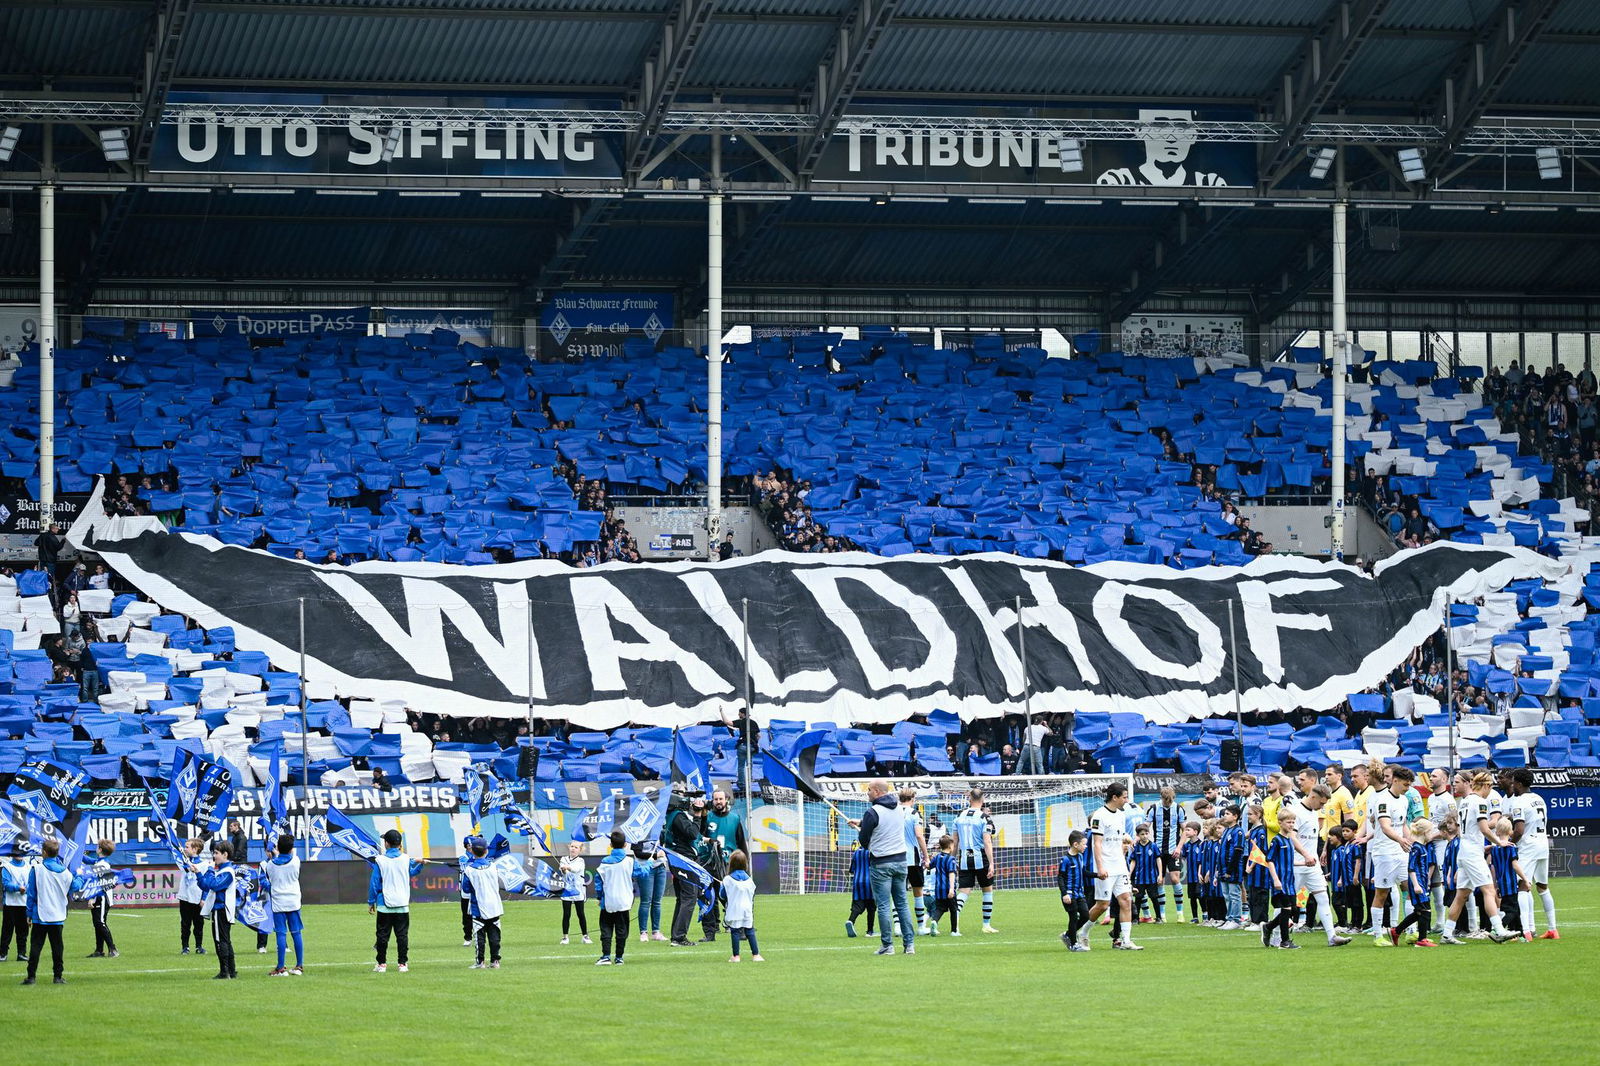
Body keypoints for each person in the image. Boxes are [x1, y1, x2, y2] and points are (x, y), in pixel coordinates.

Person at [1440, 771, 1516, 945]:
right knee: (1488, 891)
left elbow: (1467, 829)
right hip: (1473, 853)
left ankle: (1446, 934)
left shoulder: (1464, 802)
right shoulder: (1480, 802)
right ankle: (1499, 930)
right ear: (1486, 785)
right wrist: (1499, 842)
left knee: (1461, 895)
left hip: (1464, 850)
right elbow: (1484, 828)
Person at [855, 779, 915, 956]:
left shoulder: (872, 812)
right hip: (901, 861)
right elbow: (884, 826)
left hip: (881, 863)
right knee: (902, 904)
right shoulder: (899, 808)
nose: (867, 793)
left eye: (869, 790)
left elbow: (864, 841)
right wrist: (860, 823)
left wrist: (861, 828)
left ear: (876, 791)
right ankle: (909, 944)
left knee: (883, 905)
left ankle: (888, 945)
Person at [1289, 786, 1351, 947]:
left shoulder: (1313, 812)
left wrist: (1314, 856)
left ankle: (1332, 936)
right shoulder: (1296, 811)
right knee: (1287, 901)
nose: (1322, 807)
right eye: (1321, 803)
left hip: (1312, 865)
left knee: (1323, 897)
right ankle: (1272, 931)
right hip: (1297, 864)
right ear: (1313, 796)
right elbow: (1292, 837)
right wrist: (1306, 855)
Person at [1086, 781, 1141, 951]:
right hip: (1106, 865)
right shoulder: (1099, 815)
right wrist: (1100, 867)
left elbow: (1117, 836)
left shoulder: (1121, 815)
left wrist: (1126, 838)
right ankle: (1080, 932)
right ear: (1114, 797)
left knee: (1126, 900)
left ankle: (1125, 940)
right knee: (1102, 905)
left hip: (1119, 865)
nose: (1126, 800)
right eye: (1124, 797)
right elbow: (1097, 844)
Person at [1507, 767, 1558, 939]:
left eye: (1513, 782)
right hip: (1543, 843)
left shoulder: (1519, 802)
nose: (1512, 785)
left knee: (1523, 885)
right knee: (1542, 886)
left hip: (1528, 845)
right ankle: (1553, 929)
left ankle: (1527, 931)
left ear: (1519, 784)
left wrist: (1509, 844)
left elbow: (1519, 829)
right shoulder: (1539, 798)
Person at [1364, 765, 1413, 944]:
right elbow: (1385, 826)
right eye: (1405, 785)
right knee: (1382, 893)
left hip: (1401, 852)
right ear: (1395, 780)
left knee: (1408, 888)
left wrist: (1410, 841)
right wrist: (1400, 840)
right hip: (1384, 852)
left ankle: (1410, 930)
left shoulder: (1404, 800)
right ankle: (1378, 936)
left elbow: (1403, 825)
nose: (1407, 788)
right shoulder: (1383, 800)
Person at [22, 837, 77, 985]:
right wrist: (80, 877)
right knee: (57, 947)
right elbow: (75, 887)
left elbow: (31, 894)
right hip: (58, 915)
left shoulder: (37, 869)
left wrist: (28, 913)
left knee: (36, 946)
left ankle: (31, 977)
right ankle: (58, 976)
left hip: (40, 914)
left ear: (44, 852)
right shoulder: (65, 872)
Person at [368, 828, 424, 972]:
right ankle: (402, 964)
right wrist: (421, 864)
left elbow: (374, 883)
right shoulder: (406, 859)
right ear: (399, 844)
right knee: (402, 935)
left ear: (386, 843)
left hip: (384, 904)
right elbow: (412, 873)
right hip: (402, 904)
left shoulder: (379, 860)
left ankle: (381, 964)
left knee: (382, 935)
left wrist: (370, 901)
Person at [663, 795, 709, 947]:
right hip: (684, 860)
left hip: (678, 860)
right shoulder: (678, 816)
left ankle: (676, 935)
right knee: (689, 896)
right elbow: (692, 834)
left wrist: (700, 815)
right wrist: (697, 816)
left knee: (682, 898)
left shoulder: (671, 816)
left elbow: (697, 831)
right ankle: (679, 937)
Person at [951, 787, 998, 933]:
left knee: (964, 891)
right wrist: (991, 863)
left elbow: (955, 841)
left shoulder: (959, 816)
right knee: (987, 890)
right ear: (982, 800)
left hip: (964, 858)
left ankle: (955, 924)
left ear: (969, 800)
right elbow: (987, 842)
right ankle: (986, 925)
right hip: (980, 857)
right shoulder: (985, 818)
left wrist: (952, 859)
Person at [1389, 818, 1439, 946]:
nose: (1432, 835)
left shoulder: (1422, 847)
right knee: (1426, 910)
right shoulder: (1416, 848)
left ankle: (1396, 931)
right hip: (1417, 883)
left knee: (1419, 912)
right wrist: (1416, 885)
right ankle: (1422, 940)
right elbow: (1411, 868)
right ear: (1424, 832)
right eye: (1431, 832)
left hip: (1421, 882)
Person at [262, 833, 304, 976]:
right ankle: (299, 966)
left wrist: (273, 854)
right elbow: (290, 855)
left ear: (278, 847)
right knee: (296, 932)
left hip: (278, 900)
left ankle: (280, 967)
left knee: (281, 933)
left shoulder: (270, 864)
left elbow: (267, 880)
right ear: (291, 848)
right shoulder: (296, 861)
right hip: (293, 900)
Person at [460, 837, 504, 970]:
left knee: (479, 935)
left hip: (478, 906)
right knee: (495, 934)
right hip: (494, 904)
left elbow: (466, 889)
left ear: (472, 851)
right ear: (486, 851)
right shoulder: (493, 866)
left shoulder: (469, 870)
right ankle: (495, 960)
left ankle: (480, 962)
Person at [197, 840, 239, 979]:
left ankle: (224, 971)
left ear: (225, 854)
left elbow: (213, 885)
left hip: (221, 910)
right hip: (220, 910)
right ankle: (231, 971)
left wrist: (209, 870)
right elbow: (205, 885)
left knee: (220, 941)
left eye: (216, 853)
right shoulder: (222, 870)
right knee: (225, 940)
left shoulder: (227, 871)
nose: (214, 856)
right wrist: (198, 873)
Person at [594, 830, 635, 966]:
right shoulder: (630, 861)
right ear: (625, 845)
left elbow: (598, 881)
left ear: (610, 844)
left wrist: (599, 896)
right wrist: (650, 862)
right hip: (624, 901)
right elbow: (643, 872)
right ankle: (619, 957)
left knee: (606, 928)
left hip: (608, 901)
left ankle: (606, 955)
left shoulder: (604, 862)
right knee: (622, 929)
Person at [1144, 784, 1185, 920]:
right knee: (1159, 881)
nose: (1167, 803)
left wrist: (1179, 847)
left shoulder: (1179, 809)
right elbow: (1146, 827)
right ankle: (1162, 914)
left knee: (1175, 879)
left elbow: (1185, 830)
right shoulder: (1154, 808)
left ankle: (1180, 913)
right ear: (1161, 797)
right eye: (1165, 800)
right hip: (1159, 852)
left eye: (1170, 800)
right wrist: (1149, 843)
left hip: (1174, 850)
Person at [1262, 810, 1299, 949]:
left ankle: (1268, 926)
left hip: (1290, 881)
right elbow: (1269, 860)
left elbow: (1288, 861)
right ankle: (1285, 941)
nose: (1291, 825)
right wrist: (1276, 879)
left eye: (1293, 822)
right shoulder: (1276, 840)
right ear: (1280, 823)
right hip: (1281, 881)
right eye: (1288, 822)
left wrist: (1304, 862)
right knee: (1286, 908)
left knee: (1293, 909)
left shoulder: (1289, 840)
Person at [720, 849, 760, 962]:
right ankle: (756, 955)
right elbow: (752, 893)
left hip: (734, 910)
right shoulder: (750, 880)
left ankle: (736, 956)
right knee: (750, 930)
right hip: (747, 909)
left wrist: (722, 886)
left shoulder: (727, 880)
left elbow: (722, 896)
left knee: (735, 932)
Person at [898, 788, 929, 934]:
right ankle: (921, 927)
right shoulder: (915, 814)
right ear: (913, 799)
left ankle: (898, 927)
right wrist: (926, 855)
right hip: (912, 858)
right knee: (918, 891)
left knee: (898, 892)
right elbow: (919, 835)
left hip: (896, 857)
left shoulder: (894, 812)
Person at [83, 839, 118, 958]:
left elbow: (99, 884)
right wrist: (78, 854)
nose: (96, 848)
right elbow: (88, 860)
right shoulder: (101, 862)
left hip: (102, 897)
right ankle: (99, 950)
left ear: (100, 849)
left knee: (100, 923)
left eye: (97, 846)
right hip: (101, 897)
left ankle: (113, 948)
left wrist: (92, 898)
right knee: (97, 923)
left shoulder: (101, 865)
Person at [1058, 830, 1090, 952]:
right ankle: (1073, 944)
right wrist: (1064, 894)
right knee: (1073, 917)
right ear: (1076, 845)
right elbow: (1060, 877)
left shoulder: (1080, 857)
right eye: (1084, 844)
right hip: (1069, 895)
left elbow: (1084, 872)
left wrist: (1098, 875)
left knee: (1086, 915)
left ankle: (1068, 934)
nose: (1085, 846)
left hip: (1079, 894)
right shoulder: (1066, 859)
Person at [631, 839, 668, 943]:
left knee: (657, 901)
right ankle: (643, 932)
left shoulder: (659, 830)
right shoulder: (638, 833)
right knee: (645, 901)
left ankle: (656, 932)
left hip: (660, 867)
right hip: (646, 867)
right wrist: (656, 855)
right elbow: (638, 853)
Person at [175, 837, 206, 955]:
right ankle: (185, 947)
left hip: (197, 899)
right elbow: (177, 856)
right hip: (185, 898)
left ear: (195, 849)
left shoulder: (204, 864)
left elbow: (206, 883)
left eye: (187, 847)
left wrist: (203, 898)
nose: (185, 848)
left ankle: (199, 946)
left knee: (199, 924)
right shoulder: (183, 862)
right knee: (185, 924)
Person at [1128, 823, 1164, 923]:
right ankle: (1135, 918)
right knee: (1138, 898)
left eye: (1146, 833)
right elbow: (1133, 861)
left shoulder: (1153, 846)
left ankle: (1159, 917)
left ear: (1149, 833)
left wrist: (1160, 874)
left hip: (1152, 877)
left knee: (1154, 898)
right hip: (1139, 878)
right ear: (1138, 835)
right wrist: (1129, 873)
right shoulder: (1136, 847)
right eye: (1142, 834)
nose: (1144, 836)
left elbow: (1158, 860)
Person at [1243, 803, 1271, 931]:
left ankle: (1261, 921)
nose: (1248, 816)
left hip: (1260, 868)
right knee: (1253, 894)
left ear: (1258, 815)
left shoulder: (1261, 832)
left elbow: (1260, 851)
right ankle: (1254, 920)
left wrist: (1251, 866)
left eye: (1250, 814)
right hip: (1253, 868)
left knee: (1260, 895)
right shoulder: (1254, 830)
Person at [558, 840, 591, 945]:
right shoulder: (563, 859)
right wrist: (563, 870)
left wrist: (568, 868)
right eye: (572, 846)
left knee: (580, 914)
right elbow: (563, 871)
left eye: (576, 847)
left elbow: (576, 869)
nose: (573, 848)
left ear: (580, 850)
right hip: (567, 891)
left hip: (578, 890)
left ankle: (585, 936)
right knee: (566, 914)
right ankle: (565, 937)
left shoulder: (581, 861)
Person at [2, 851, 32, 964]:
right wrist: (17, 888)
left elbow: (31, 883)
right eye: (16, 852)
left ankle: (21, 953)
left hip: (24, 903)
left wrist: (26, 889)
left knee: (23, 931)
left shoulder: (29, 867)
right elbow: (6, 884)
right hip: (10, 903)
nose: (19, 855)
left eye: (21, 852)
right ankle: (3, 953)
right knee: (7, 930)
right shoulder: (7, 867)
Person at [927, 835, 959, 937]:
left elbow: (929, 866)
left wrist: (927, 859)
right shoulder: (951, 860)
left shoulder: (937, 857)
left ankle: (934, 921)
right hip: (948, 888)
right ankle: (954, 931)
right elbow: (951, 874)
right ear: (950, 846)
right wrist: (951, 889)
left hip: (938, 889)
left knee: (939, 908)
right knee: (953, 909)